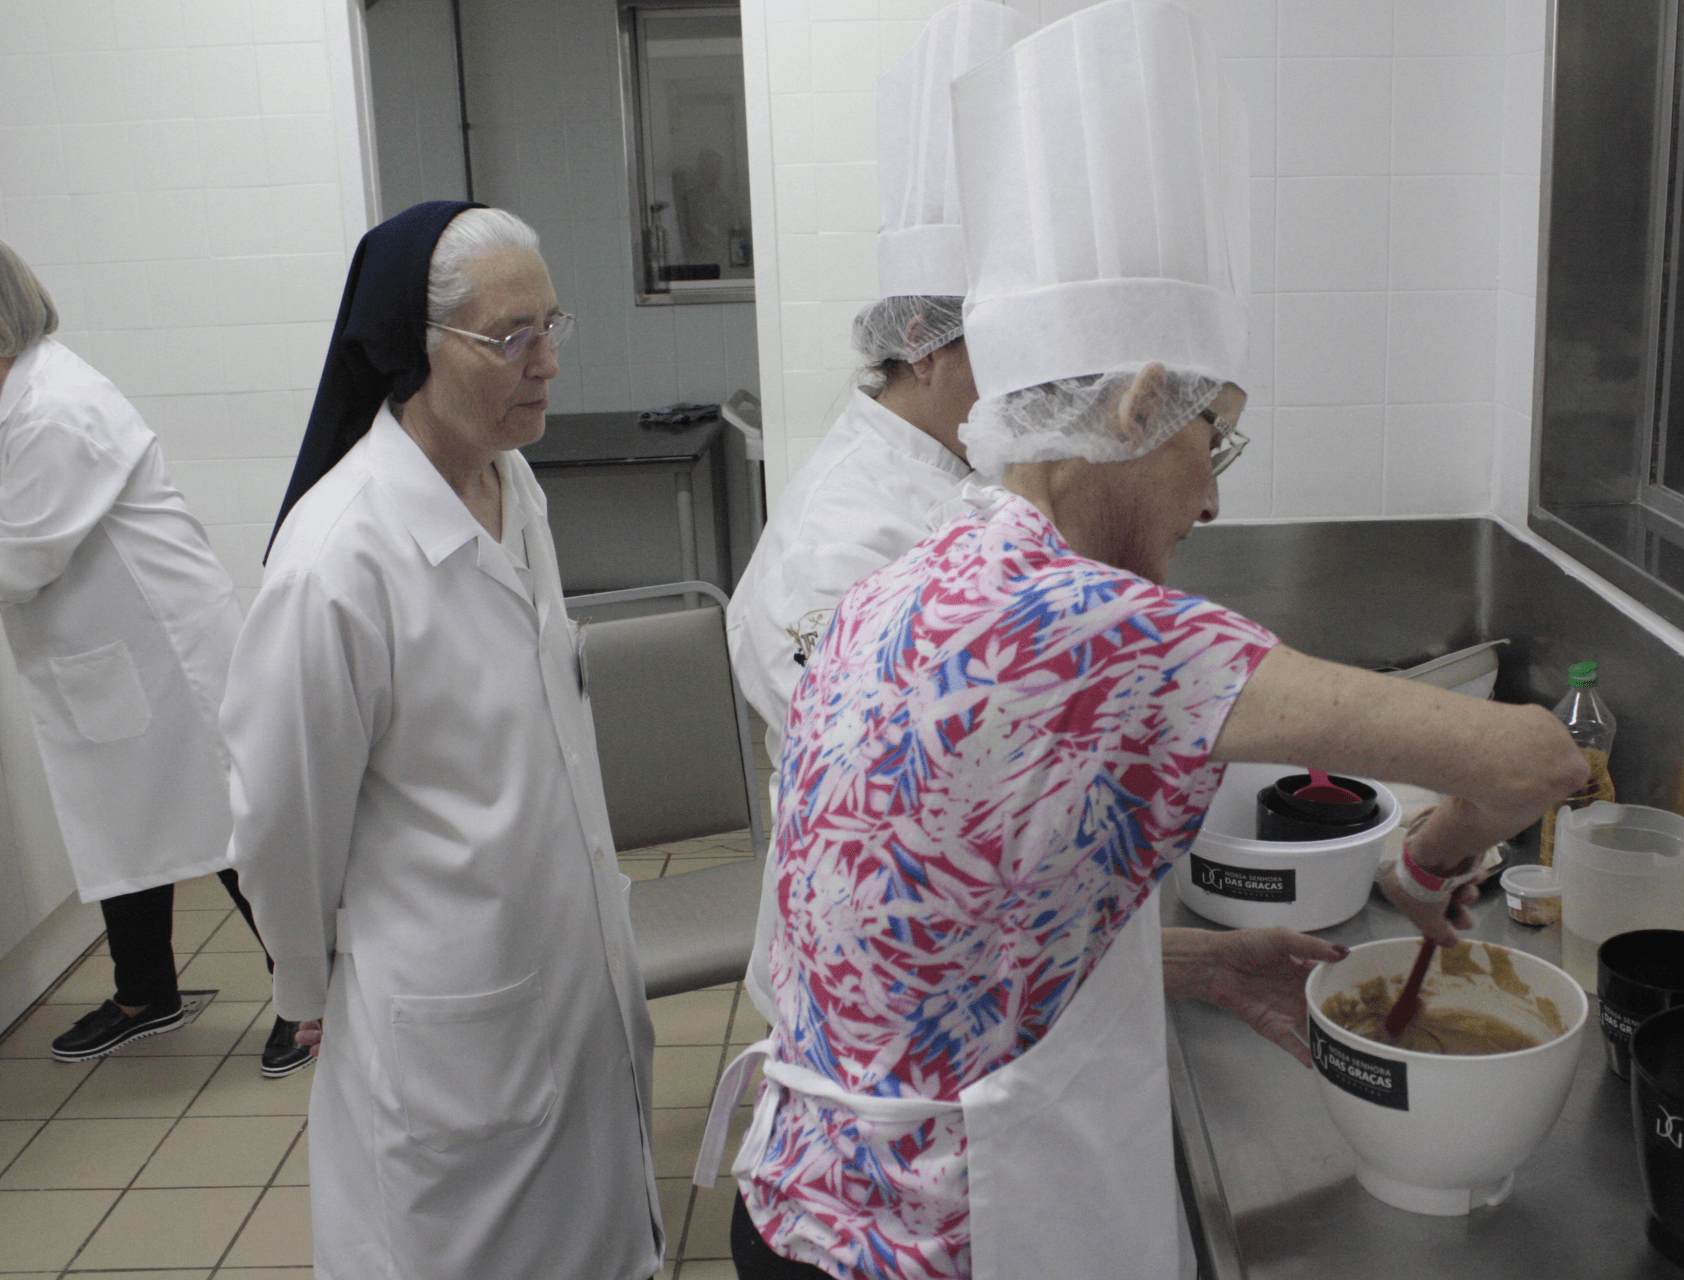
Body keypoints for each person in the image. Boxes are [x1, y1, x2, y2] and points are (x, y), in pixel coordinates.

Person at [698, 5, 1591, 1279]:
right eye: (1211, 439)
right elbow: (1535, 758)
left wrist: (1211, 962)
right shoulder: (1098, 629)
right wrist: (1433, 854)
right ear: (1132, 403)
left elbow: (971, 905)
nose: (1215, 496)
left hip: (807, 1206)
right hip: (924, 1241)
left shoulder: (944, 564)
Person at [223, 202, 664, 1280]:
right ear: (411, 351)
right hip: (452, 1021)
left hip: (569, 982)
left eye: (553, 323)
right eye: (511, 335)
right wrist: (305, 988)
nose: (547, 360)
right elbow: (281, 823)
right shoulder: (340, 558)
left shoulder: (511, 484)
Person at [727, 0, 1035, 1019]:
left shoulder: (952, 472)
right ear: (933, 344)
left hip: (944, 946)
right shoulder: (845, 536)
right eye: (1016, 343)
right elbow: (904, 782)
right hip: (874, 974)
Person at [0, 238, 307, 1077]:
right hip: (105, 657)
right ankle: (146, 994)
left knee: (233, 828)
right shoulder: (17, 393)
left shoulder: (53, 408)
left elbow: (18, 560)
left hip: (167, 654)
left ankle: (308, 997)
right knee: (123, 822)